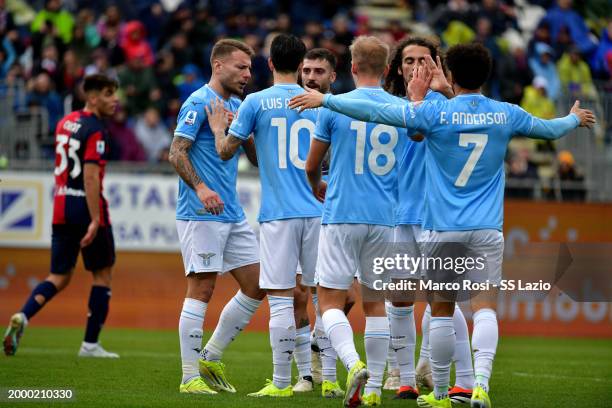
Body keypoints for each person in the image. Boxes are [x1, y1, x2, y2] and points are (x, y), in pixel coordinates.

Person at [289, 42, 595, 408]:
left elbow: (371, 112)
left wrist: (327, 102)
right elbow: (548, 130)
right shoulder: (505, 113)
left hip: (440, 226)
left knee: (442, 309)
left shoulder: (434, 114)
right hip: (484, 228)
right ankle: (475, 383)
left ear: (447, 72)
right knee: (481, 308)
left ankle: (440, 391)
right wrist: (574, 119)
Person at [211, 34, 323, 399]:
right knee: (320, 296)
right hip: (318, 211)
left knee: (279, 297)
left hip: (279, 214)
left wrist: (222, 129)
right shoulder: (318, 103)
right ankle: (321, 378)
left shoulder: (254, 102)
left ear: (270, 64)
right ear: (301, 63)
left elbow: (227, 153)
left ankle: (279, 383)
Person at [306, 35, 408, 407]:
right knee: (376, 303)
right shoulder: (401, 109)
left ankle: (352, 365)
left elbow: (313, 164)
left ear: (351, 67)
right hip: (384, 218)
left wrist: (317, 184)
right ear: (386, 70)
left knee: (331, 301)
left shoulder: (333, 106)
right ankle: (377, 390)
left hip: (342, 214)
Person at [168, 38, 265, 395]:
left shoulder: (238, 104)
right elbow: (176, 153)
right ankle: (189, 376)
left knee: (258, 284)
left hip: (231, 212)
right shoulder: (197, 102)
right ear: (219, 65)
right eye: (241, 67)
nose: (247, 74)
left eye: (250, 68)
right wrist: (201, 188)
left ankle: (211, 354)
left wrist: (243, 130)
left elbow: (253, 160)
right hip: (200, 211)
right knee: (203, 287)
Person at [382, 36, 474, 403]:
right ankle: (405, 379)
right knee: (399, 298)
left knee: (443, 301)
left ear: (437, 65)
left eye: (424, 59)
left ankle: (464, 381)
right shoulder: (392, 105)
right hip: (401, 213)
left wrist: (445, 91)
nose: (416, 66)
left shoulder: (439, 103)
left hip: (436, 215)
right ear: (398, 67)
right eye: (409, 60)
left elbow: (426, 132)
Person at [4, 74, 120, 358]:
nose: (114, 100)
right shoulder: (96, 130)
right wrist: (95, 220)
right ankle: (90, 345)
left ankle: (24, 315)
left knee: (59, 275)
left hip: (60, 205)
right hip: (85, 205)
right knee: (102, 275)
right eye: (108, 94)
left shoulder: (65, 123)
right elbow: (91, 179)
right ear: (92, 97)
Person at [293, 47, 351, 398]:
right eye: (306, 70)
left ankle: (319, 351)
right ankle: (307, 373)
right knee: (301, 293)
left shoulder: (342, 108)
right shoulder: (286, 104)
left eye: (319, 71)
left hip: (336, 210)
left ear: (333, 76)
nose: (311, 77)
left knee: (347, 295)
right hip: (299, 209)